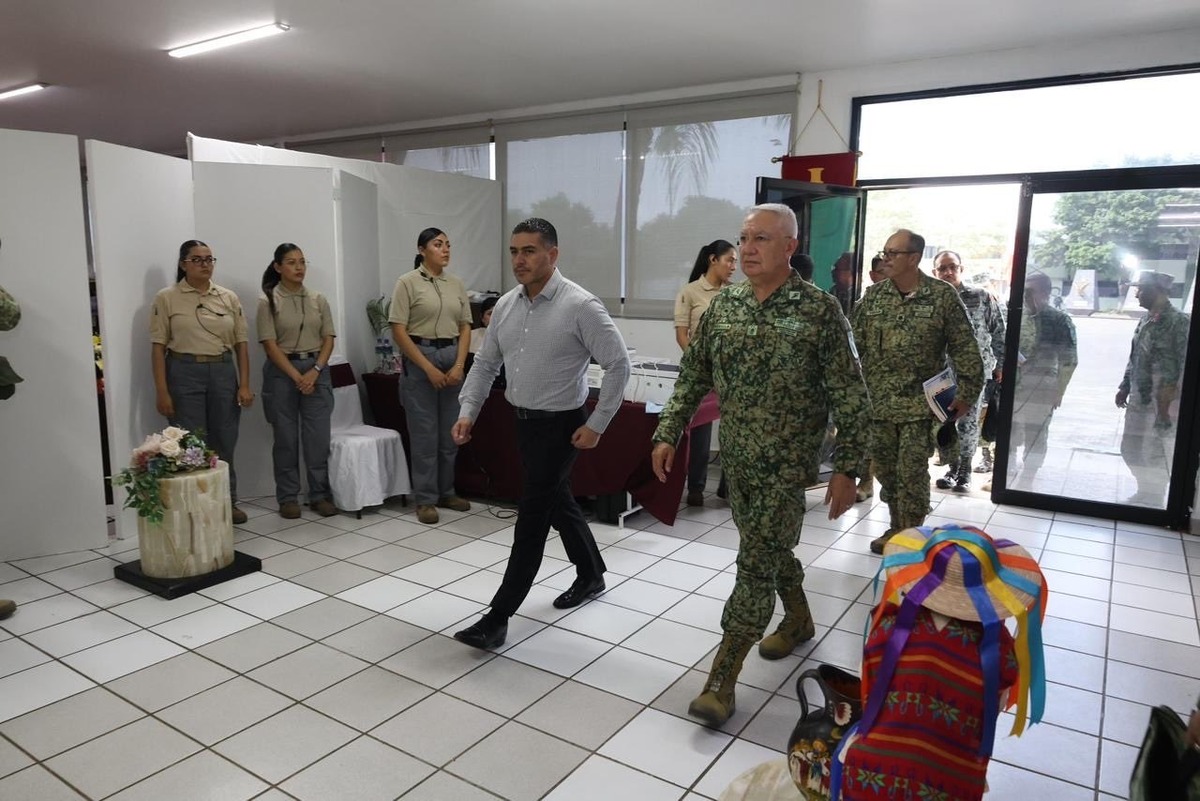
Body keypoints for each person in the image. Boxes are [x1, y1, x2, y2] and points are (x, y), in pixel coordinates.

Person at [651, 204, 870, 727]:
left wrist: (848, 466)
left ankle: (722, 678)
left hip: (788, 467)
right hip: (741, 464)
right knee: (766, 548)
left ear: (789, 247)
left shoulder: (819, 311)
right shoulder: (724, 307)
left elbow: (850, 394)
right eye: (744, 238)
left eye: (762, 239)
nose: (748, 249)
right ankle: (797, 619)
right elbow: (693, 374)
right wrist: (668, 429)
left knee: (753, 565)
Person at [450, 218, 631, 650]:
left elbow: (618, 364)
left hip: (563, 426)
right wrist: (468, 411)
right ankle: (590, 573)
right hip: (524, 424)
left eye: (529, 251)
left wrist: (597, 425)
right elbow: (485, 363)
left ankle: (497, 617)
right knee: (557, 502)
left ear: (553, 254)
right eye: (514, 251)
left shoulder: (580, 305)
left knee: (530, 519)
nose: (519, 260)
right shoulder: (508, 305)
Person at [834, 525, 1047, 801]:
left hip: (874, 776)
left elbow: (872, 692)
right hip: (953, 782)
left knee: (848, 746)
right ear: (992, 591)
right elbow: (992, 710)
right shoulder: (1000, 650)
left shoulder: (889, 627)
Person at [852, 230, 983, 555]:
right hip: (879, 405)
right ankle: (898, 528)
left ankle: (911, 538)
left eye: (893, 253)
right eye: (884, 252)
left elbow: (966, 347)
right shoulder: (874, 297)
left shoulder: (941, 296)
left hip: (920, 408)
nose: (886, 258)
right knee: (887, 473)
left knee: (911, 473)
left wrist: (966, 393)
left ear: (913, 258)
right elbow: (855, 346)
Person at [150, 240, 253, 525]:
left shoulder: (228, 297)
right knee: (190, 441)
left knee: (225, 439)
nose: (205, 264)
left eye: (209, 259)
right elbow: (158, 347)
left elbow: (242, 344)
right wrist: (162, 390)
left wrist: (244, 384)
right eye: (197, 259)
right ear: (183, 264)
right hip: (183, 371)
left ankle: (227, 502)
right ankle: (195, 505)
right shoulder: (166, 297)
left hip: (222, 371)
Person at [389, 227, 474, 525]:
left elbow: (465, 326)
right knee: (425, 435)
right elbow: (398, 329)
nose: (446, 250)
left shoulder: (456, 283)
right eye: (438, 245)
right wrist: (427, 368)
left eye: (448, 245)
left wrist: (460, 364)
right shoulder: (407, 283)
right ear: (422, 249)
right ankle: (425, 499)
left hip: (452, 358)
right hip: (420, 358)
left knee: (451, 434)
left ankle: (446, 491)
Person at [257, 243, 337, 519]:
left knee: (318, 438)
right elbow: (269, 344)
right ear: (278, 267)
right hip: (283, 372)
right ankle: (288, 497)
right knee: (286, 439)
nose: (299, 267)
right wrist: (297, 376)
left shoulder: (318, 299)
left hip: (316, 369)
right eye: (291, 262)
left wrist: (315, 370)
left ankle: (319, 494)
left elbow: (329, 338)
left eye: (302, 262)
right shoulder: (268, 300)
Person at [931, 251, 1005, 493]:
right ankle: (952, 467)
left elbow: (998, 331)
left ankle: (964, 472)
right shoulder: (930, 298)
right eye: (942, 268)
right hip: (941, 374)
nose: (948, 272)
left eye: (952, 267)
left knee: (969, 422)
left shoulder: (980, 297)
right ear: (935, 273)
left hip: (972, 373)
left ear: (961, 269)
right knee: (944, 421)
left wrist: (1001, 364)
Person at [1114, 271, 1188, 505]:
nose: (1136, 294)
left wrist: (1174, 402)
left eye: (1142, 289)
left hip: (1163, 404)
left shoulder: (1180, 322)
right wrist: (1125, 385)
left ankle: (1154, 498)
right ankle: (1145, 489)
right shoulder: (1145, 319)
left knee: (1155, 452)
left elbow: (1186, 363)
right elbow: (1134, 356)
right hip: (1139, 399)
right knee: (1131, 447)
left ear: (1159, 290)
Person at [674, 239, 736, 506]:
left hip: (732, 373)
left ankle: (728, 487)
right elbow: (682, 335)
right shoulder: (690, 292)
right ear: (713, 260)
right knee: (699, 431)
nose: (734, 266)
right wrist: (700, 364)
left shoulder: (738, 293)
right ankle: (696, 487)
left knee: (734, 429)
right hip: (701, 373)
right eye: (729, 260)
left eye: (735, 261)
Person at [1006, 272, 1077, 487]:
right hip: (1014, 385)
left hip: (1041, 388)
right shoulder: (1017, 315)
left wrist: (1059, 391)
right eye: (1023, 290)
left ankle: (1028, 476)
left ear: (1045, 292)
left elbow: (1069, 359)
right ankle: (1006, 473)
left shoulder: (1058, 320)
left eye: (1030, 291)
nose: (1025, 295)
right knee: (1010, 432)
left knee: (1035, 434)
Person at [855, 255, 886, 503]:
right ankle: (865, 481)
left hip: (905, 395)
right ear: (873, 276)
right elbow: (853, 346)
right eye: (882, 272)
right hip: (870, 384)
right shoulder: (864, 305)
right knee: (867, 436)